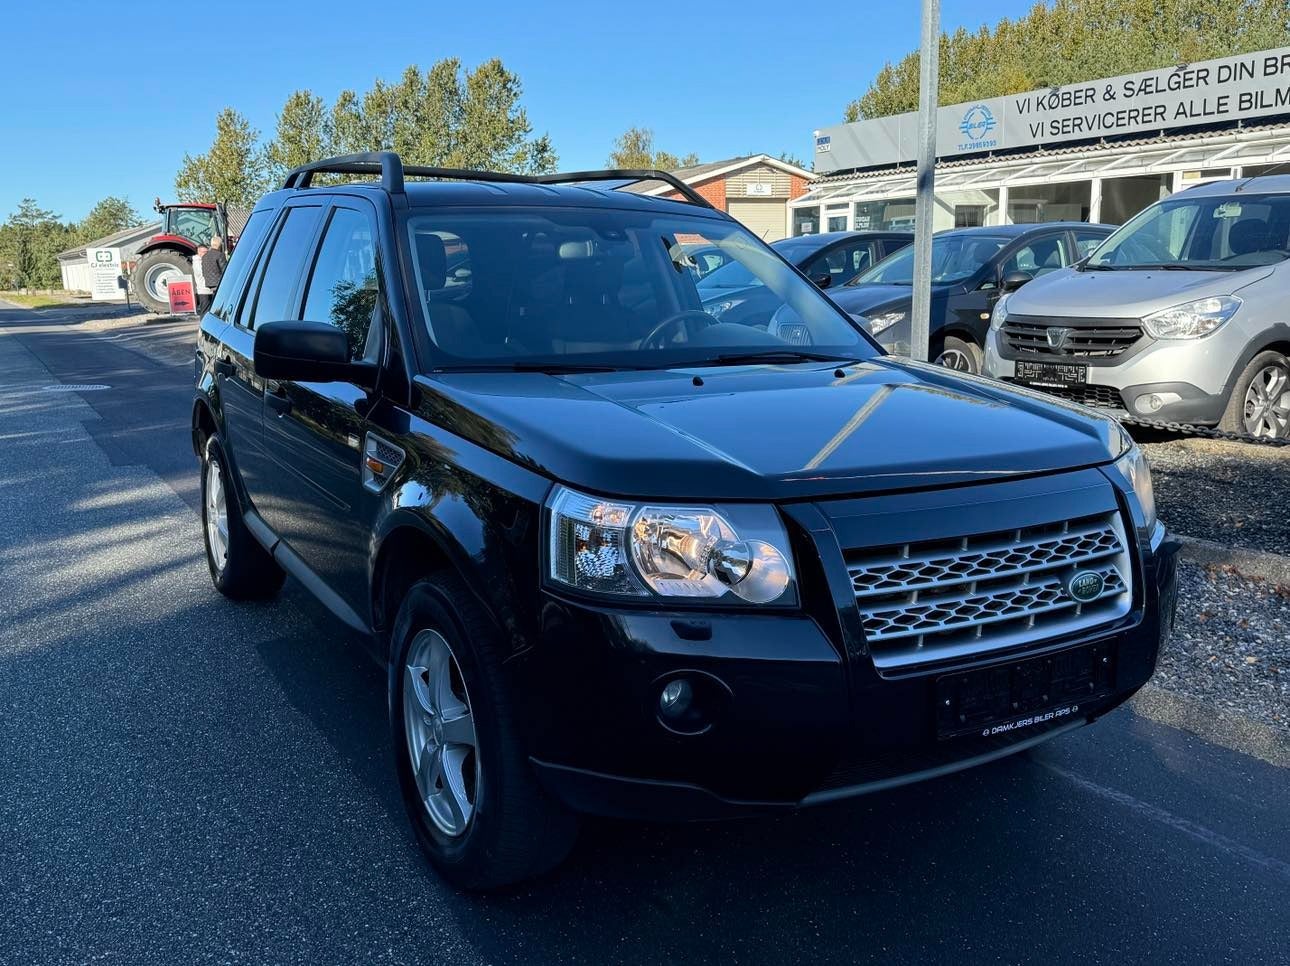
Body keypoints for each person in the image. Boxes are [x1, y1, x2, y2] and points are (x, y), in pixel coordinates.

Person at [193, 245, 211, 313]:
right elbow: (201, 273)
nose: (206, 254)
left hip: (208, 289)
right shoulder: (197, 262)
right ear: (199, 252)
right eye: (204, 252)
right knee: (204, 311)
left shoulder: (204, 260)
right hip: (203, 289)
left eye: (207, 252)